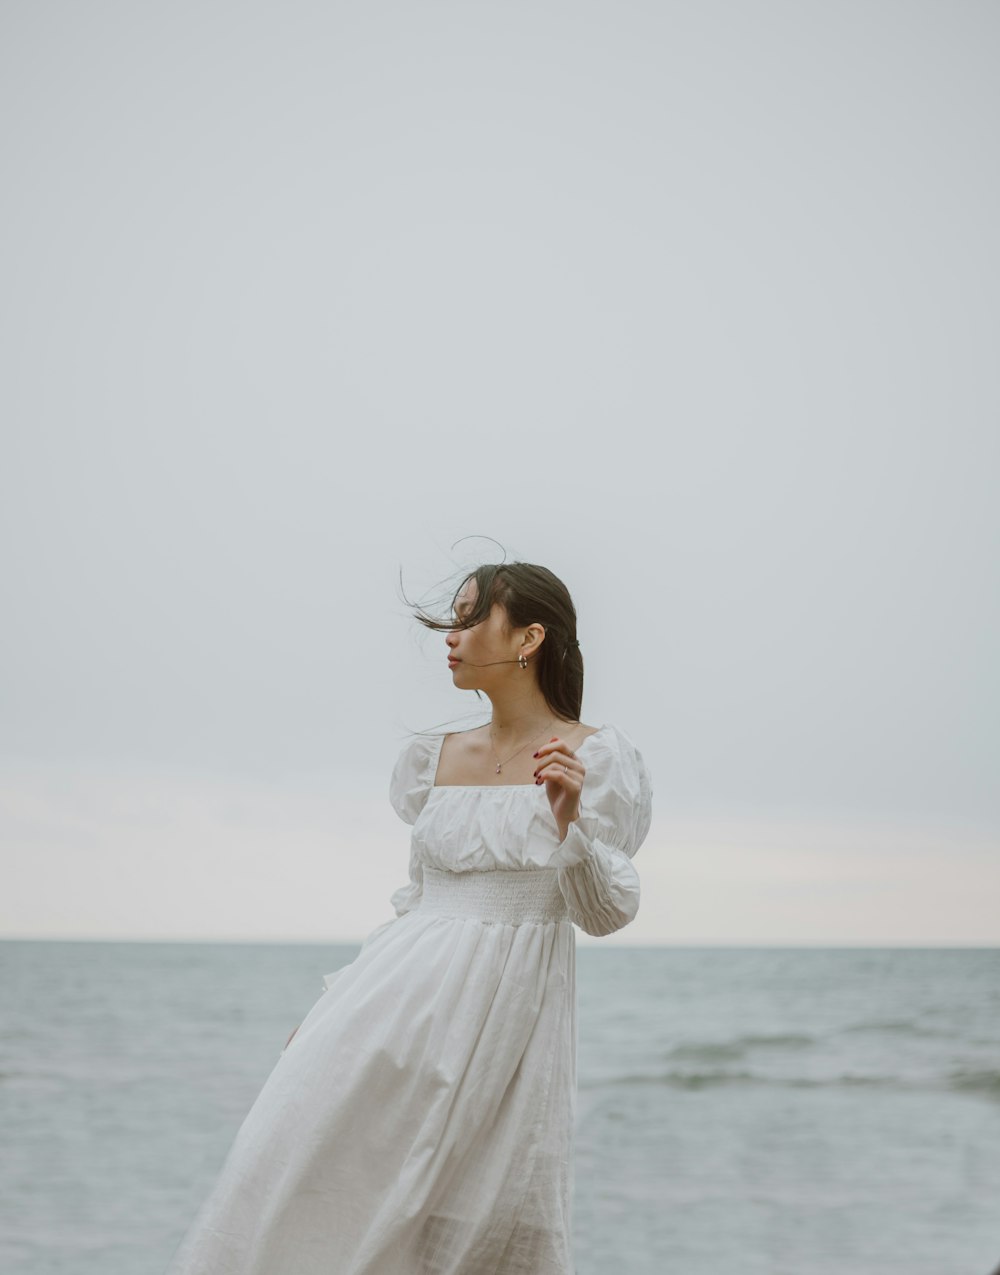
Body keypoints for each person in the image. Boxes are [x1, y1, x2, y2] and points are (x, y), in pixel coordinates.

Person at [164, 560, 653, 1275]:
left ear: (530, 636)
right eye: (450, 620)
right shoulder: (433, 758)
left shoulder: (595, 760)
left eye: (467, 617)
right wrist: (337, 999)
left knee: (490, 1217)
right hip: (390, 1011)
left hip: (505, 1028)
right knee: (298, 1171)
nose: (449, 638)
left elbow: (606, 911)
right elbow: (416, 903)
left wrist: (568, 821)